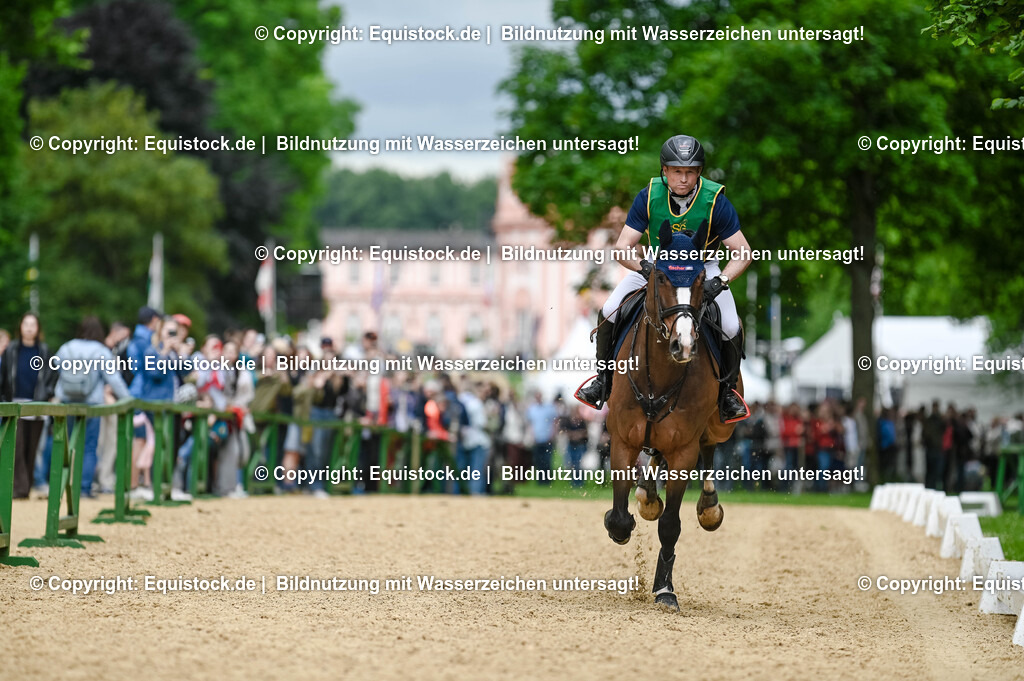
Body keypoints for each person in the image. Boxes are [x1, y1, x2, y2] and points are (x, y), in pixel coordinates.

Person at [575, 134, 753, 423]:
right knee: (608, 310)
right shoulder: (648, 197)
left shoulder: (716, 202)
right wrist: (645, 269)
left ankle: (728, 394)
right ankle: (603, 380)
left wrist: (720, 282)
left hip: (703, 268)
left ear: (699, 173)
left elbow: (743, 252)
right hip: (659, 267)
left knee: (731, 324)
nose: (684, 179)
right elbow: (622, 247)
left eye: (690, 172)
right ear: (665, 171)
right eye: (677, 171)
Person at [54, 317, 132, 497]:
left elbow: (55, 368)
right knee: (89, 447)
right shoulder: (100, 351)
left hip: (67, 402)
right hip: (91, 404)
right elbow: (113, 379)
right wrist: (128, 399)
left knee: (68, 445)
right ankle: (83, 488)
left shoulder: (67, 347)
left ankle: (64, 486)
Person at [0, 313, 57, 498]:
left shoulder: (45, 351)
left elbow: (52, 375)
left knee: (32, 449)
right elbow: (4, 375)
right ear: (21, 326)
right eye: (26, 323)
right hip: (15, 402)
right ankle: (19, 488)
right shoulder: (11, 349)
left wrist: (48, 394)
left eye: (33, 324)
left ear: (38, 328)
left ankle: (27, 486)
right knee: (17, 446)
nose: (29, 328)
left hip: (37, 404)